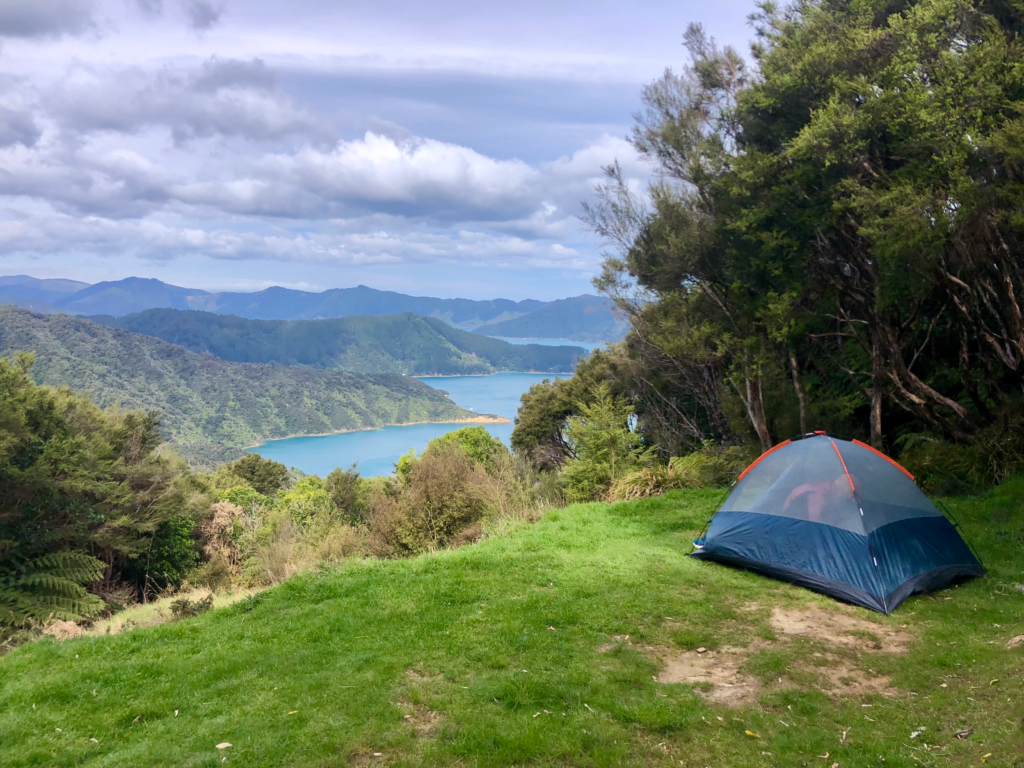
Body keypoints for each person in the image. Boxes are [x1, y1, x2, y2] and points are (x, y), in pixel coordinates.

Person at [783, 474, 852, 521]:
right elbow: (815, 523)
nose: (845, 500)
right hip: (789, 519)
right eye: (845, 497)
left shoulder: (830, 485)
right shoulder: (819, 497)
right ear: (839, 492)